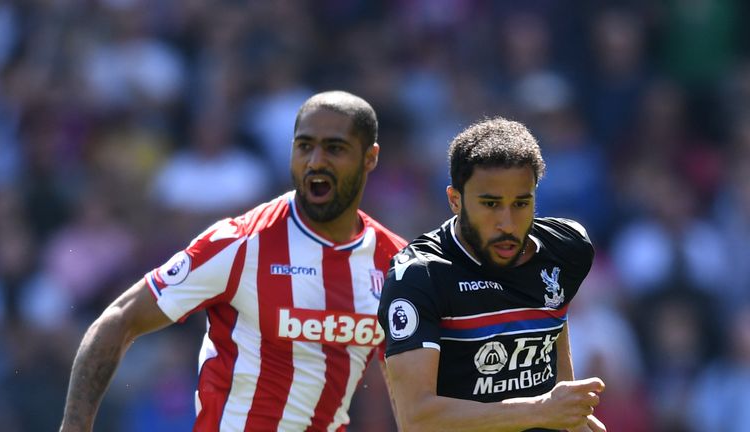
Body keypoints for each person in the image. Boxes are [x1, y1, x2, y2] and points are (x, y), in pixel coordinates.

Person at [60, 90, 407, 432]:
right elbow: (120, 319)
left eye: (334, 148)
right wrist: (74, 427)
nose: (315, 161)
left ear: (369, 157)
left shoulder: (396, 265)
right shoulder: (240, 244)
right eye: (304, 146)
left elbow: (413, 391)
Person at [377, 117, 606, 432]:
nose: (508, 224)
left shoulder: (567, 248)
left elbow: (553, 318)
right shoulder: (420, 277)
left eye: (521, 203)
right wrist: (541, 409)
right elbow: (417, 417)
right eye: (490, 204)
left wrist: (569, 417)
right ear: (455, 200)